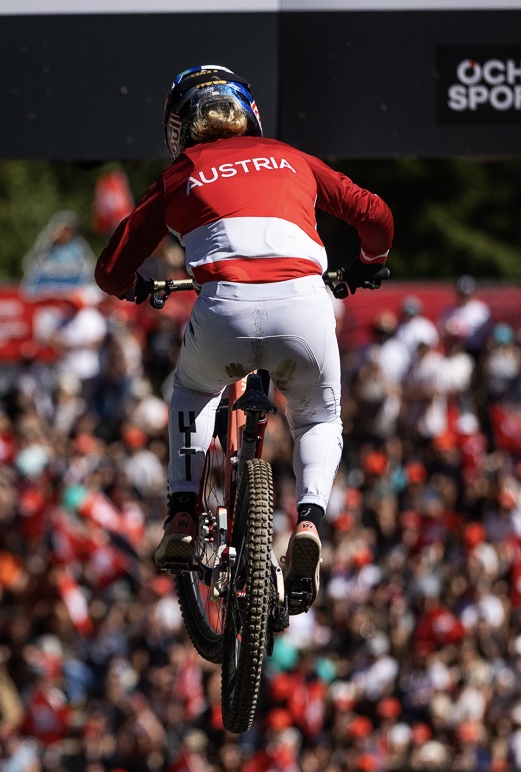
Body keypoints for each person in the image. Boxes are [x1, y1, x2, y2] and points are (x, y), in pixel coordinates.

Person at [95, 65, 392, 614]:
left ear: (179, 127)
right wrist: (369, 262)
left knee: (190, 393)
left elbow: (110, 268)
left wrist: (136, 288)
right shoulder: (290, 156)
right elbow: (374, 212)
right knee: (320, 418)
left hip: (224, 307)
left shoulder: (181, 172)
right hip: (305, 304)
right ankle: (308, 523)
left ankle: (183, 511)